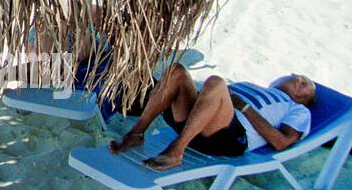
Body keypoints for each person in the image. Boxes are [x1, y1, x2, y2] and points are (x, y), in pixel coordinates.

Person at [110, 64, 315, 170]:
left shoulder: (297, 109)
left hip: (229, 138)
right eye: (296, 75)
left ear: (303, 99)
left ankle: (177, 150)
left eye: (305, 83)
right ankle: (136, 133)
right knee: (177, 71)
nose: (298, 77)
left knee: (216, 82)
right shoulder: (251, 85)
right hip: (196, 122)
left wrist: (242, 106)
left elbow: (281, 142)